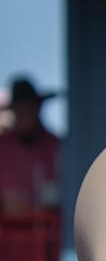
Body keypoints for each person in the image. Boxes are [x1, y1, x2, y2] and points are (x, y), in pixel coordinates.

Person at [0, 75, 61, 217]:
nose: (24, 113)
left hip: (49, 229)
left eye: (28, 107)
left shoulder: (56, 146)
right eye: (20, 108)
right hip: (7, 232)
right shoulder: (3, 146)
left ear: (38, 107)